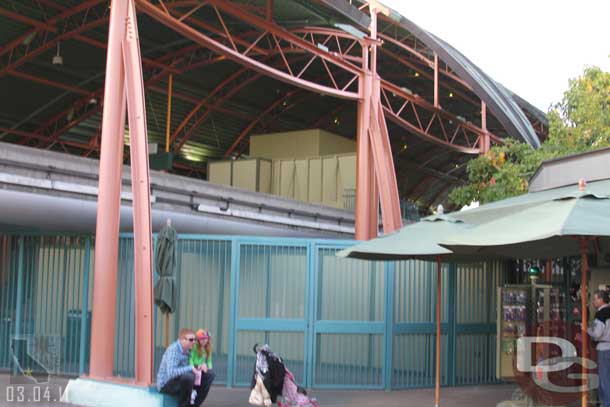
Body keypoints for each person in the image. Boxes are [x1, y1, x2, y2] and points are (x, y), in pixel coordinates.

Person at [157, 328, 213, 407]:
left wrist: (200, 365)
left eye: (195, 340)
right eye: (191, 340)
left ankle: (194, 405)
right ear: (182, 340)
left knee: (209, 374)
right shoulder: (174, 350)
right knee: (189, 377)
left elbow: (193, 364)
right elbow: (171, 373)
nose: (194, 342)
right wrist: (190, 368)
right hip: (166, 384)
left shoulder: (189, 350)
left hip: (182, 380)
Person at [587, 290, 610, 407]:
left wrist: (587, 328)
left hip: (604, 348)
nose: (593, 301)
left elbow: (596, 333)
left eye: (595, 299)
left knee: (604, 379)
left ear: (601, 300)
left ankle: (606, 404)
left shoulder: (601, 314)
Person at [188, 329, 215, 405]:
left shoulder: (208, 348)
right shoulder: (195, 347)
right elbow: (191, 359)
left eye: (206, 338)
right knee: (196, 378)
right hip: (195, 367)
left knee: (210, 375)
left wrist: (209, 368)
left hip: (202, 367)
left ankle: (196, 393)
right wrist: (193, 367)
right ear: (198, 340)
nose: (204, 341)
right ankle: (193, 392)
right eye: (202, 339)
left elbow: (209, 360)